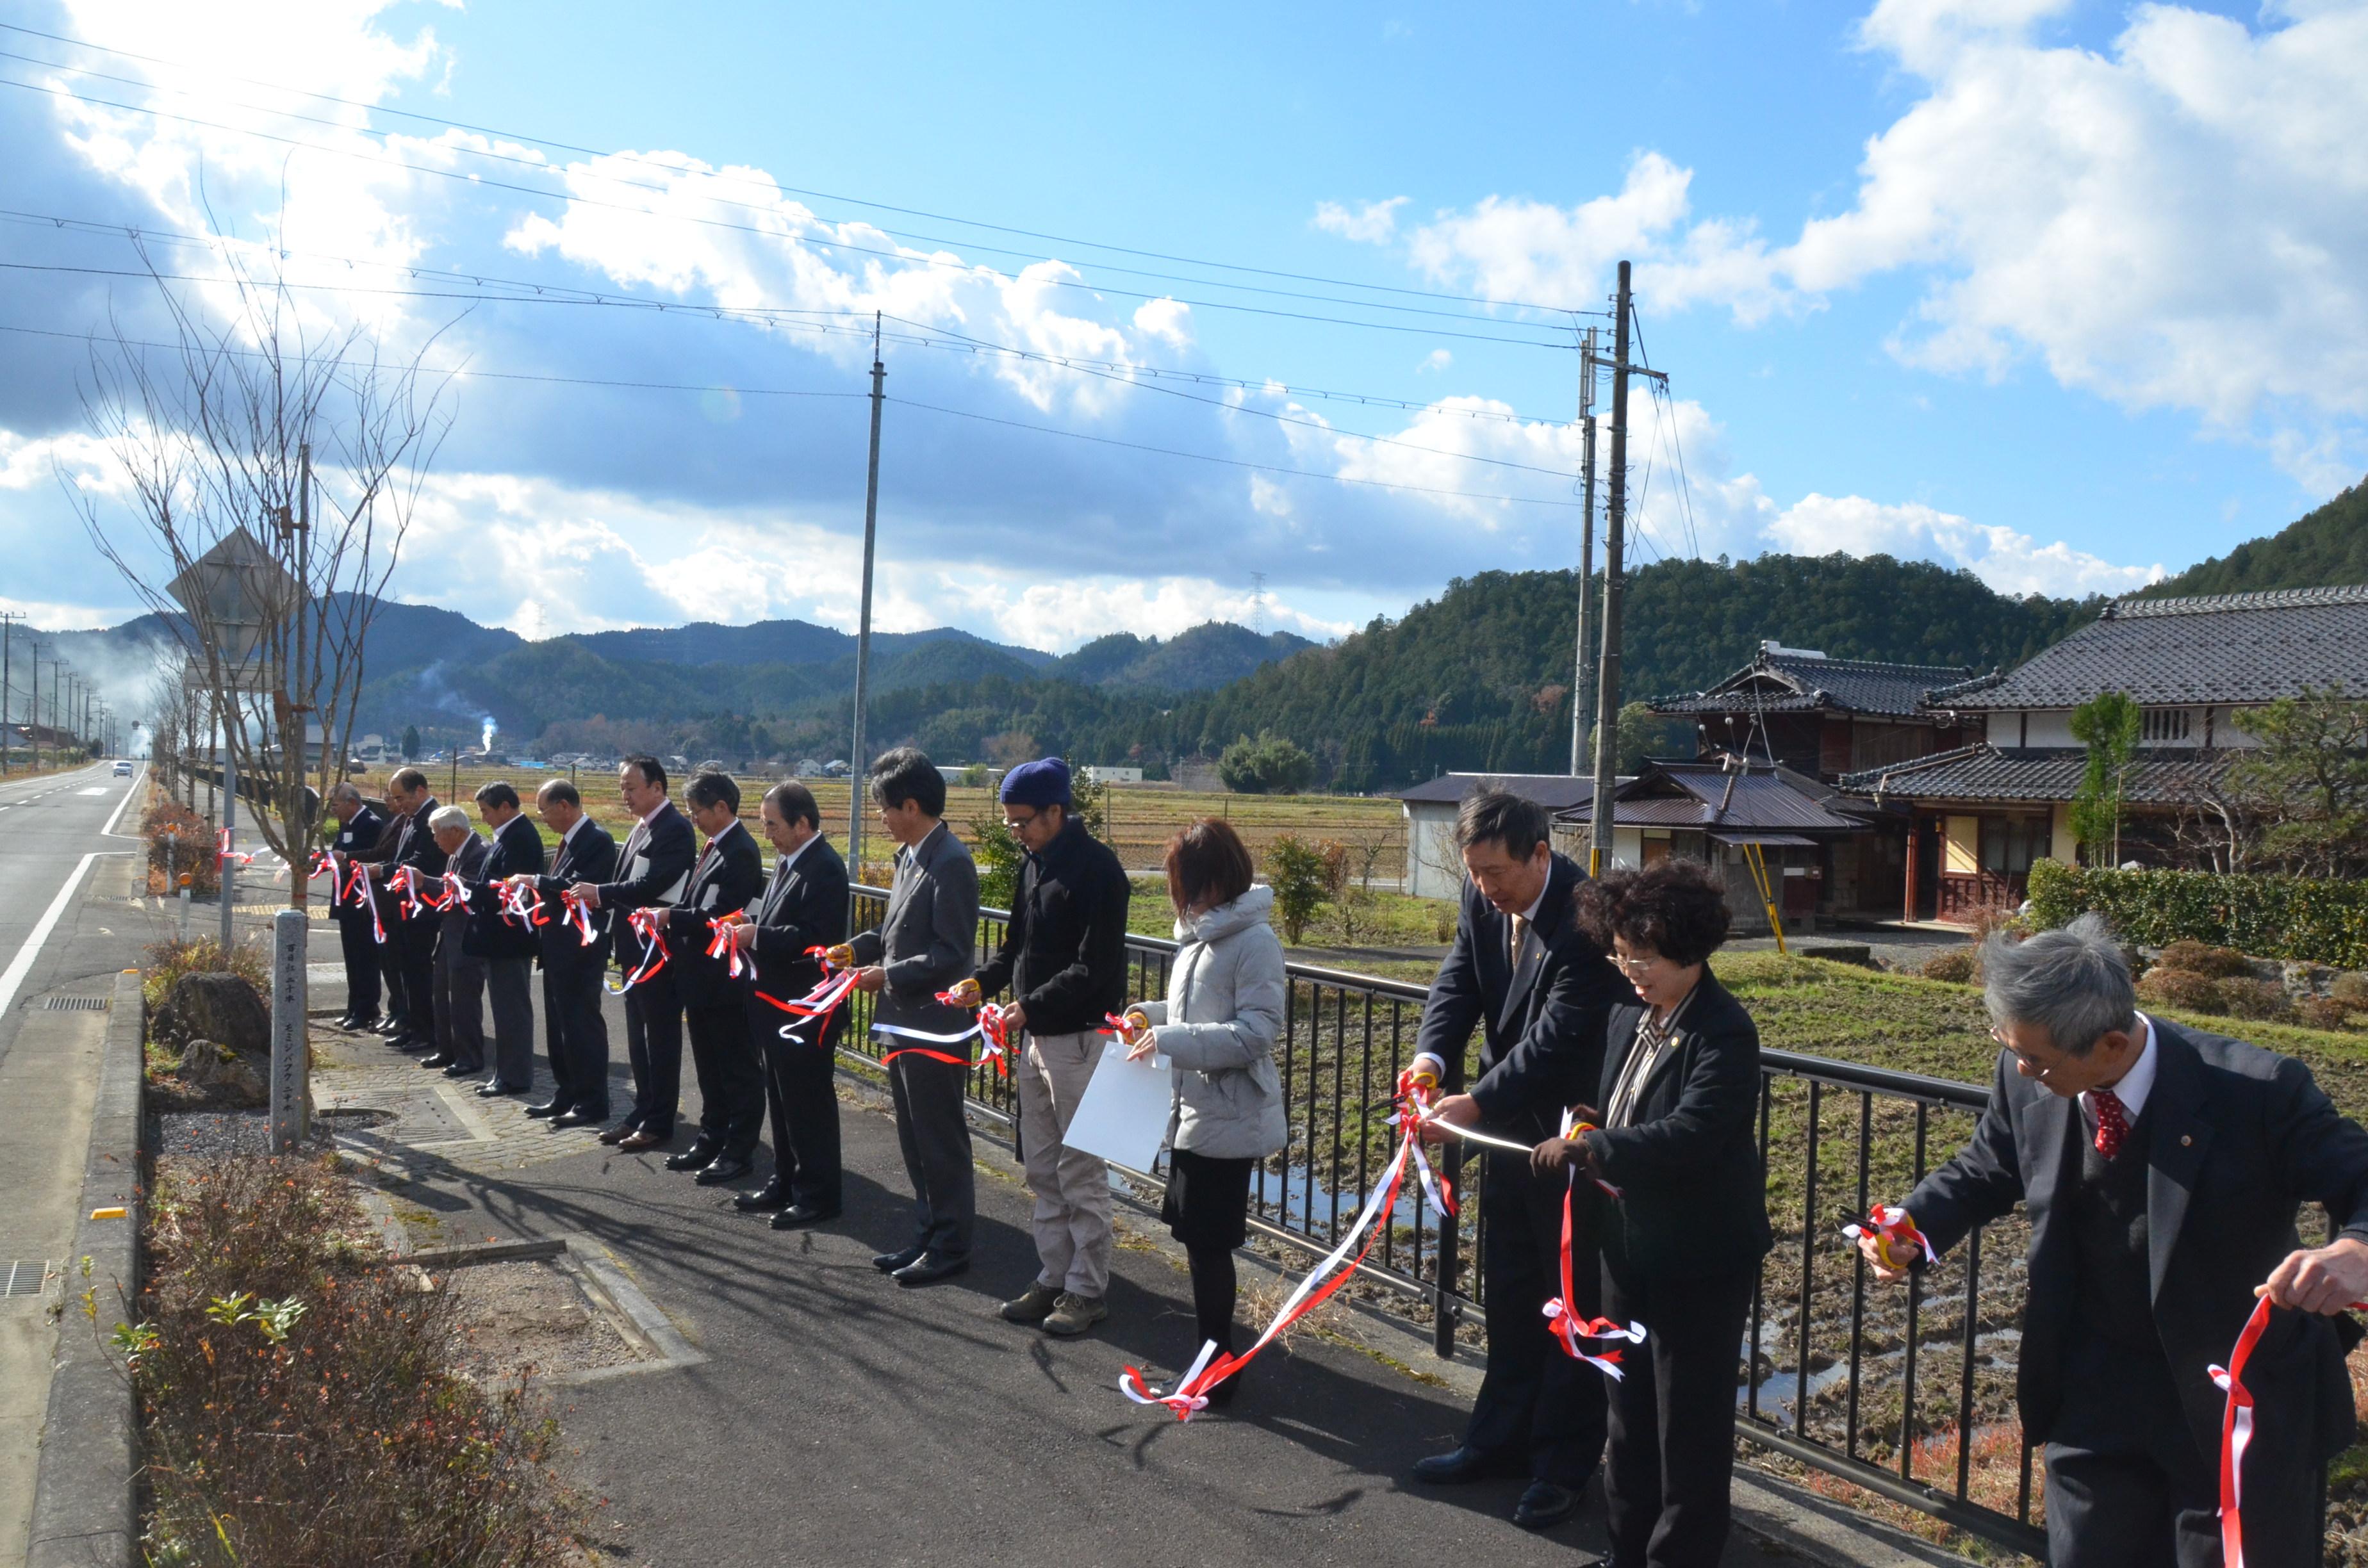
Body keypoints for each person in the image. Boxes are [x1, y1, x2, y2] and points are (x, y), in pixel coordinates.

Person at [1857, 913, 2368, 1568]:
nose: (2022, 1068)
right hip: (2092, 1394)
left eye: (2038, 1060)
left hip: (2233, 1402)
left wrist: (2356, 1249)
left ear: (2112, 1044)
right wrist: (1913, 1226)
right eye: (2010, 1047)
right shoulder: (2026, 1069)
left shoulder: (2258, 1092)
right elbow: (1987, 1167)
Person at [1531, 858, 1771, 1568]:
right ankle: (1625, 1552)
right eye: (1620, 955)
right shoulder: (1629, 1016)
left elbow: (1693, 1133)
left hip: (1700, 1257)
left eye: (1645, 960)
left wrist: (1595, 1148)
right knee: (1627, 1413)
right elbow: (1624, 1107)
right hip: (1627, 1246)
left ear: (1690, 950)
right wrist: (1589, 1122)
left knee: (1687, 1427)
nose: (1631, 973)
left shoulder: (1724, 1032)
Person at [1407, 789, 1629, 1531]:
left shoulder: (1586, 916)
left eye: (1496, 873)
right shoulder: (1483, 900)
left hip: (1569, 1141)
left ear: (1541, 854)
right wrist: (1432, 1059)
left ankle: (1563, 1468)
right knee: (1508, 1294)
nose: (1484, 887)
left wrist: (1473, 1104)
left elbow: (1557, 1038)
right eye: (1474, 873)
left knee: (1569, 1302)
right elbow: (1459, 981)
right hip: (1506, 1137)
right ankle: (1497, 1441)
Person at [953, 758, 1132, 1339]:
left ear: (1056, 811)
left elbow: (1094, 966)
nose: (1017, 832)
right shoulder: (1033, 863)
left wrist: (1029, 1005)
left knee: (1081, 1170)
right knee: (1042, 1168)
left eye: (1023, 821)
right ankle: (1054, 1275)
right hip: (1036, 1037)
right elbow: (1015, 947)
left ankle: (1087, 1289)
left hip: (1081, 1038)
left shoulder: (1099, 870)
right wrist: (982, 983)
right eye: (1010, 822)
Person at [1117, 819, 1284, 1405]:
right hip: (1194, 1111)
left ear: (1219, 879)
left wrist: (1171, 1039)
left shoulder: (1254, 941)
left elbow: (1257, 1033)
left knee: (1209, 1248)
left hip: (1228, 1116)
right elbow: (1193, 1013)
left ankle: (1217, 1371)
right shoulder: (1202, 935)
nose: (1185, 897)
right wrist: (1149, 1016)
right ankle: (1210, 1365)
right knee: (1196, 1242)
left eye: (1192, 884)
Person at [835, 747, 980, 1287]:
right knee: (915, 1139)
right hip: (903, 1021)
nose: (880, 818)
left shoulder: (951, 862)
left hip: (934, 1026)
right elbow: (895, 930)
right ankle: (927, 1234)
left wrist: (886, 975)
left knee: (939, 1140)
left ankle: (950, 1245)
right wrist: (855, 950)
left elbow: (951, 953)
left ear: (911, 806)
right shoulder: (913, 855)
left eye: (884, 808)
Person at [716, 781, 850, 1227]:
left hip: (804, 1009)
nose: (767, 833)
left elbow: (816, 937)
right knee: (782, 1099)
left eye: (773, 824)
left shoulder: (824, 867)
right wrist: (751, 922)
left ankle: (818, 1195)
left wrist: (759, 935)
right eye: (764, 823)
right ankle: (786, 1180)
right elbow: (780, 919)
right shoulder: (791, 859)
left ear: (803, 824)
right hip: (776, 1004)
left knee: (808, 1105)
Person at [572, 755, 695, 1148]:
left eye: (631, 788)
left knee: (659, 1039)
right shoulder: (644, 826)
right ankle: (643, 1110)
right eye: (621, 788)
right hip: (633, 949)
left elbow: (654, 884)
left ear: (657, 788)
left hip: (656, 951)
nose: (624, 795)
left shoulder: (674, 828)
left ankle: (659, 1121)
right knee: (639, 1040)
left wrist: (601, 893)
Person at [656, 771, 768, 1186]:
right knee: (709, 1068)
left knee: (736, 1069)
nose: (694, 819)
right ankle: (711, 1138)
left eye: (697, 811)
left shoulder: (741, 851)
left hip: (724, 980)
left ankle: (739, 1150)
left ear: (722, 807)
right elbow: (697, 903)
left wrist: (670, 917)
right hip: (700, 978)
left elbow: (722, 914)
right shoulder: (714, 847)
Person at [516, 779, 618, 1127]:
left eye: (544, 810)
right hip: (557, 948)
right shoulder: (569, 841)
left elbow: (578, 888)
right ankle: (567, 1092)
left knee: (581, 1027)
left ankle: (592, 1101)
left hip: (581, 951)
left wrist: (536, 881)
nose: (542, 818)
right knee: (559, 1027)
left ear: (564, 806)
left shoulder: (597, 840)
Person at [354, 768, 447, 1054]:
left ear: (420, 791)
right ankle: (411, 1025)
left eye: (401, 797)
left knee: (419, 972)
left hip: (422, 909)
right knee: (406, 969)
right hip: (404, 907)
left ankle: (425, 1031)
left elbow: (421, 862)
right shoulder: (412, 818)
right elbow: (403, 858)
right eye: (395, 798)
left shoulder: (432, 819)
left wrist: (382, 870)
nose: (398, 804)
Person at [468, 780, 545, 1097]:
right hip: (499, 938)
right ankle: (506, 1073)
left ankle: (515, 1077)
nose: (483, 818)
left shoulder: (521, 837)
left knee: (512, 1010)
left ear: (505, 807)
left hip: (510, 938)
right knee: (504, 1010)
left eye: (486, 811)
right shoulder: (509, 835)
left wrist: (467, 889)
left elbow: (508, 891)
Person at [419, 806, 491, 1079]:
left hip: (467, 937)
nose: (435, 840)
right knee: (441, 995)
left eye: (438, 834)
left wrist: (424, 882)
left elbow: (464, 891)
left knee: (464, 1001)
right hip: (449, 934)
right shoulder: (455, 853)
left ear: (457, 831)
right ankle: (446, 1051)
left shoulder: (480, 852)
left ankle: (469, 1057)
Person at [323, 781, 386, 1031]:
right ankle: (354, 1007)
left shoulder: (370, 824)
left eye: (335, 805)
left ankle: (366, 1008)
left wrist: (346, 859)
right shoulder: (347, 824)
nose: (333, 811)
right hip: (346, 900)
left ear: (351, 802)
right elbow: (338, 851)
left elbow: (372, 856)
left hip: (361, 900)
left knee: (365, 957)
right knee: (351, 956)